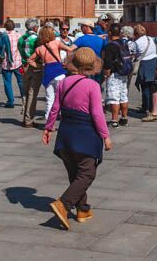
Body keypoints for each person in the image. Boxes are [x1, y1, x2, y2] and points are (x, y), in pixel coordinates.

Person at [43, 46, 111, 230]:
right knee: (87, 173)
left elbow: (55, 108)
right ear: (90, 67)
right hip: (85, 134)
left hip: (66, 133)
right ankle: (63, 204)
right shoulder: (92, 86)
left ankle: (83, 209)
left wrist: (48, 128)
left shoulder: (64, 82)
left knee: (75, 174)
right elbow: (97, 114)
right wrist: (105, 136)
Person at [100, 25, 133, 127]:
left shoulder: (110, 45)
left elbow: (108, 63)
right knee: (123, 96)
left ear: (110, 33)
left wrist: (106, 74)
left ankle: (114, 120)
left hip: (114, 74)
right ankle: (124, 118)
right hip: (124, 74)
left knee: (114, 98)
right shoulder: (124, 43)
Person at [0, 22, 23, 109]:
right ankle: (24, 99)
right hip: (18, 62)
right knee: (21, 82)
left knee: (7, 82)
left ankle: (10, 102)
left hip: (5, 63)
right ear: (14, 27)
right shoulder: (19, 35)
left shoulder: (2, 36)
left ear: (5, 27)